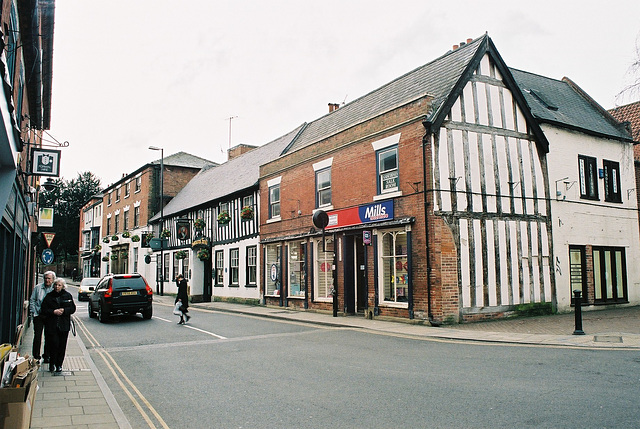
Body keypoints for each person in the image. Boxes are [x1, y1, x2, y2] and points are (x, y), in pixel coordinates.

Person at [40, 278, 76, 373]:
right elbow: (43, 310)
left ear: (63, 286)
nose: (57, 287)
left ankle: (59, 365)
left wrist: (64, 311)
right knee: (53, 345)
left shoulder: (67, 296)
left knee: (62, 346)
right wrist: (53, 311)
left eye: (59, 285)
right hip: (52, 325)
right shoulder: (49, 296)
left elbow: (72, 308)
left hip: (64, 325)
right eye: (55, 285)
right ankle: (52, 364)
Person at [29, 271, 55, 363]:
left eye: (49, 278)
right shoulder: (38, 288)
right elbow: (32, 300)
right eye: (46, 278)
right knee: (37, 336)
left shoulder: (54, 289)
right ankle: (36, 356)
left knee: (48, 336)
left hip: (49, 316)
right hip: (39, 315)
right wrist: (34, 313)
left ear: (53, 280)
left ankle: (47, 356)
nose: (47, 280)